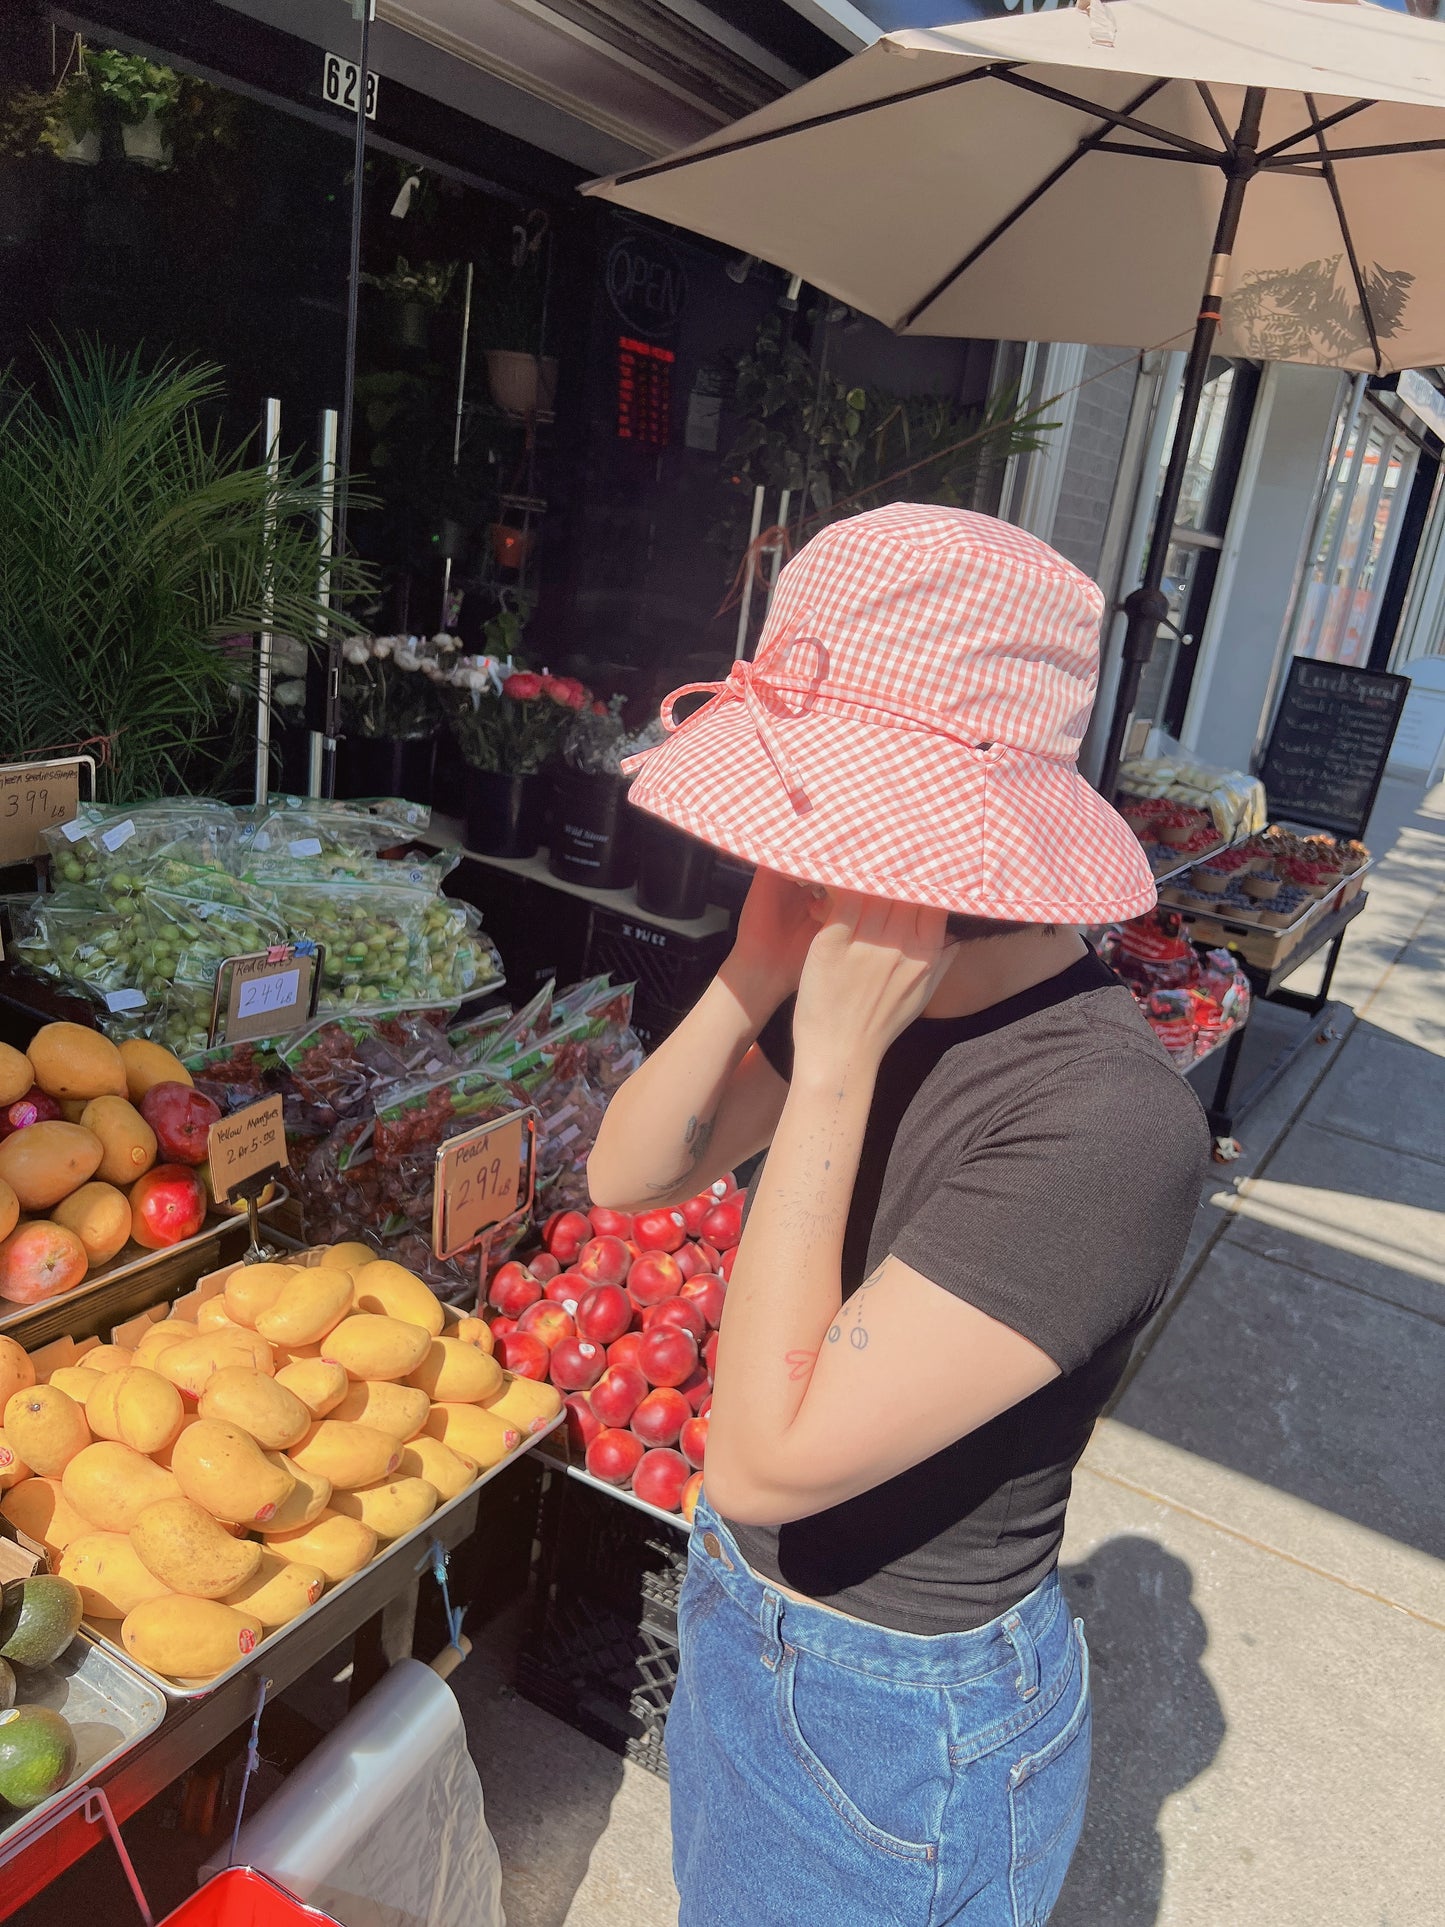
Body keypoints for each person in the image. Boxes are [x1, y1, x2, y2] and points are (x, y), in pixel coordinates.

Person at [587, 504, 1208, 1927]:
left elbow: (766, 1459)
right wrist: (754, 968)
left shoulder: (1105, 1124)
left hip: (896, 1715)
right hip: (753, 1624)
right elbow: (625, 1174)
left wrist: (840, 1062)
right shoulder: (868, 967)